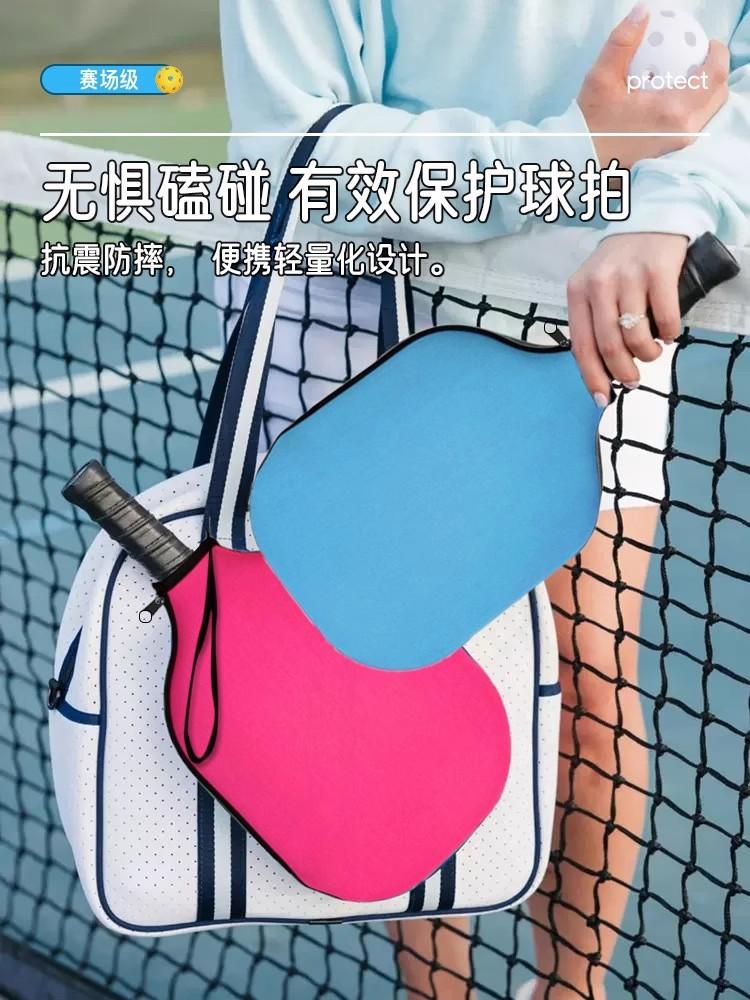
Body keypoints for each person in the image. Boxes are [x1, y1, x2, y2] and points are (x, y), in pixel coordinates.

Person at [219, 2, 750, 996]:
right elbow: (297, 148)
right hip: (362, 308)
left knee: (591, 687)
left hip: (605, 298)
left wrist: (672, 209)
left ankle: (574, 990)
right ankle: (435, 989)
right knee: (404, 682)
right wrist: (575, 152)